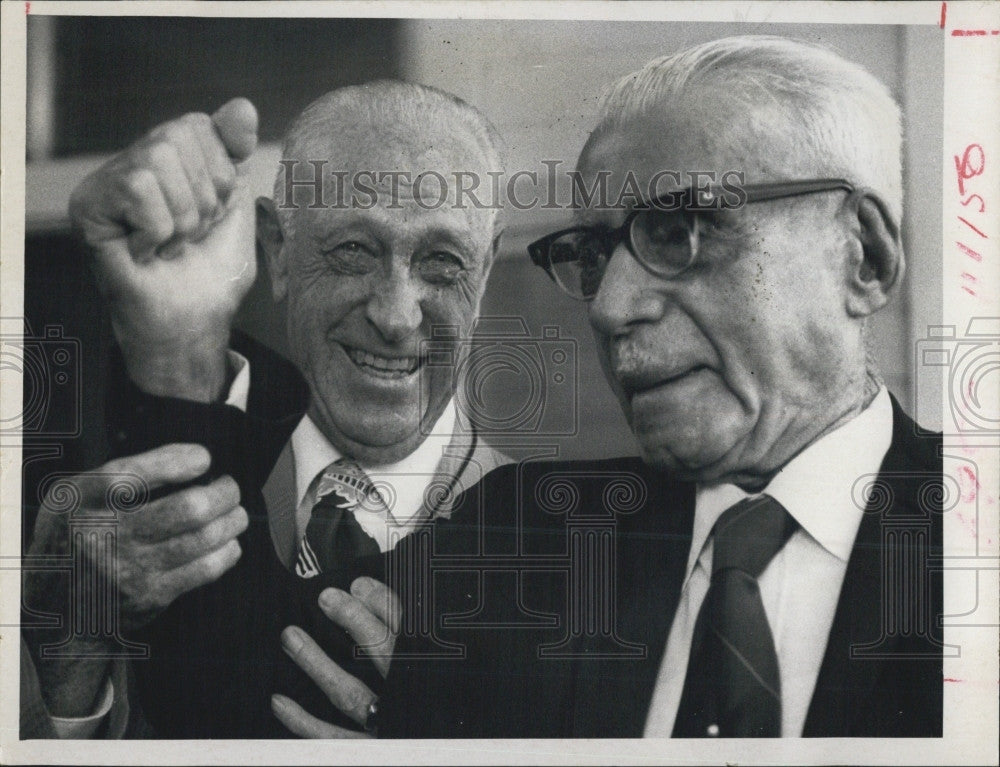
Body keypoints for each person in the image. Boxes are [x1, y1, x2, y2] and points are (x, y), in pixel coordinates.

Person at [362, 35, 942, 738]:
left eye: (678, 231)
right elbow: (230, 644)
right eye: (593, 255)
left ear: (865, 256)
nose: (610, 305)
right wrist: (190, 345)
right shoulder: (520, 534)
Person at [21, 80, 509, 738]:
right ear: (278, 250)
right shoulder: (142, 513)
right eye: (353, 251)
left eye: (444, 261)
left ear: (486, 273)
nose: (397, 316)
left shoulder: (559, 556)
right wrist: (68, 672)